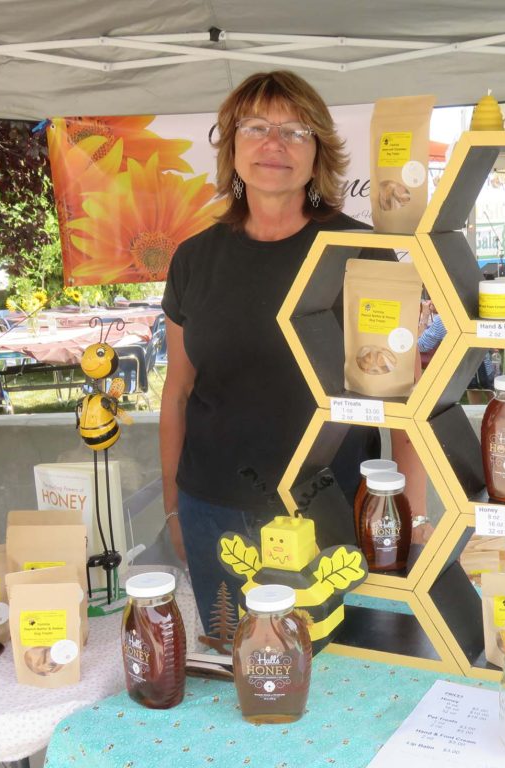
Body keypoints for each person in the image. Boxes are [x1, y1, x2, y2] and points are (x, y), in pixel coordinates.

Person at [160, 71, 381, 638]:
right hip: (211, 509)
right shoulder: (193, 259)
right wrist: (172, 506)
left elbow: (399, 395)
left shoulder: (363, 253)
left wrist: (412, 515)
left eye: (295, 131)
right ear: (232, 146)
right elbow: (179, 389)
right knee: (239, 673)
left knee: (338, 681)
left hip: (326, 510)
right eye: (256, 127)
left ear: (319, 154)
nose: (274, 144)